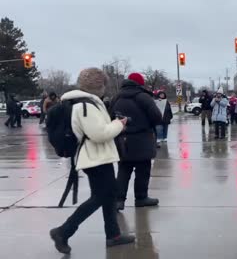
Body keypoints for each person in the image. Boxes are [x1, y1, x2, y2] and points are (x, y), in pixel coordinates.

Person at [50, 68, 135, 255]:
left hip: (97, 156)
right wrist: (119, 124)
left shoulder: (84, 103)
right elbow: (99, 134)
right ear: (100, 85)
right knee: (101, 196)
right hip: (94, 158)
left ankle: (113, 235)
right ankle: (63, 231)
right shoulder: (85, 106)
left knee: (109, 195)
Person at [110, 72, 163, 211]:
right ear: (140, 84)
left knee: (123, 170)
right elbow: (157, 117)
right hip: (142, 139)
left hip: (122, 139)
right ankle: (141, 198)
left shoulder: (116, 98)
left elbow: (109, 118)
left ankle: (118, 200)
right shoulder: (143, 97)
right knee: (143, 171)